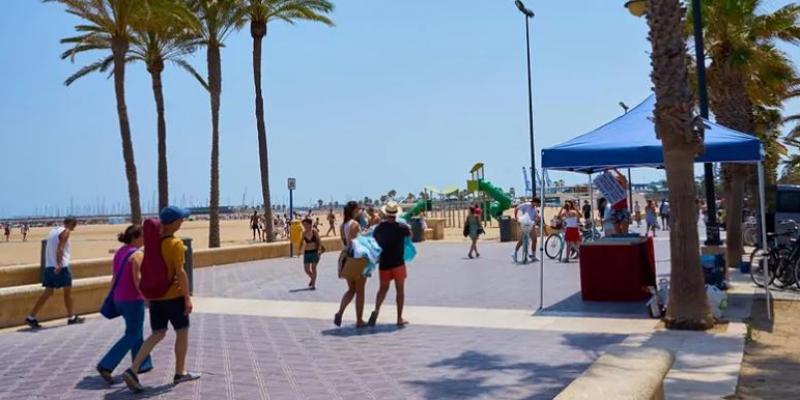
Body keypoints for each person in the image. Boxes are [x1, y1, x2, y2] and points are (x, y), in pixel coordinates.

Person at [123, 206, 200, 393]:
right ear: (174, 223)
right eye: (181, 219)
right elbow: (180, 272)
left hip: (156, 298)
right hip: (174, 297)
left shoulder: (152, 244)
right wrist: (187, 298)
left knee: (157, 333)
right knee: (182, 332)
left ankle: (133, 369)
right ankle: (180, 372)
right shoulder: (175, 244)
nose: (182, 222)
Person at [96, 225, 154, 383]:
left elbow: (115, 277)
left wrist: (113, 295)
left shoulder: (120, 252)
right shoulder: (137, 254)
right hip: (133, 299)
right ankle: (106, 364)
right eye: (143, 237)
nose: (145, 240)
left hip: (119, 298)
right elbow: (138, 279)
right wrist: (146, 297)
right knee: (132, 334)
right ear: (135, 237)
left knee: (136, 330)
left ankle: (142, 363)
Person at [25, 217, 83, 328]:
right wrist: (59, 264)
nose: (74, 227)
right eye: (74, 224)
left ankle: (31, 317)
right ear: (71, 223)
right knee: (67, 292)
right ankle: (71, 317)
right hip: (61, 267)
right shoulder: (65, 231)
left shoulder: (53, 231)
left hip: (49, 266)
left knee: (48, 292)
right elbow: (60, 249)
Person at [368, 201, 411, 327]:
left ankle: (376, 309)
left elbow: (374, 239)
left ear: (386, 213)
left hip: (384, 263)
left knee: (382, 289)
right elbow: (410, 236)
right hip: (398, 263)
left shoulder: (380, 227)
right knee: (400, 290)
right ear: (396, 213)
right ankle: (399, 318)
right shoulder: (402, 227)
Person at [334, 201, 368, 328]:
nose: (360, 211)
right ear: (354, 210)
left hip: (346, 260)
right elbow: (355, 243)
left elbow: (346, 243)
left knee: (351, 289)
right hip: (356, 260)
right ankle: (359, 320)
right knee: (360, 291)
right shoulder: (354, 224)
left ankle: (340, 312)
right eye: (358, 209)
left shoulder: (343, 226)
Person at [298, 218, 324, 290]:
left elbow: (319, 241)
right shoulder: (304, 233)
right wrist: (299, 250)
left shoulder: (314, 231)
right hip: (307, 252)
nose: (304, 226)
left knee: (313, 268)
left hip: (315, 252)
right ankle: (312, 278)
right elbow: (301, 242)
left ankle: (313, 284)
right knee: (306, 269)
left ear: (310, 224)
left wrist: (319, 250)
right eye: (303, 225)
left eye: (306, 224)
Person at [513, 197, 541, 262]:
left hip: (531, 224)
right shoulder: (526, 205)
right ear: (534, 202)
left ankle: (533, 256)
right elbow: (516, 208)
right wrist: (516, 217)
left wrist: (538, 218)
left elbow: (536, 216)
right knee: (521, 241)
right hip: (524, 224)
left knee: (534, 239)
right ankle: (515, 253)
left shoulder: (535, 208)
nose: (538, 205)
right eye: (537, 204)